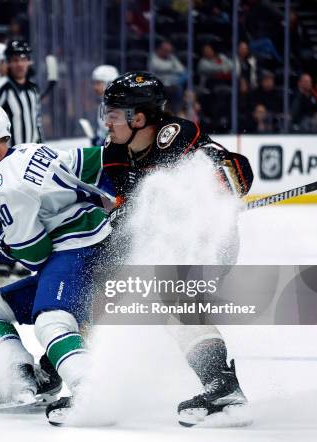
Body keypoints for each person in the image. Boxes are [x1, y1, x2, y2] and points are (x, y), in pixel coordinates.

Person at [99, 71, 253, 427]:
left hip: (209, 238)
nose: (107, 121)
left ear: (139, 118)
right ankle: (221, 385)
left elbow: (235, 171)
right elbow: (124, 211)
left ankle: (222, 386)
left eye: (114, 113)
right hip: (171, 244)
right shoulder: (116, 154)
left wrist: (217, 184)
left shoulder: (177, 136)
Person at [0, 102, 112, 424]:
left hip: (78, 250)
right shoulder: (32, 150)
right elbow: (96, 162)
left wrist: (7, 247)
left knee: (51, 320)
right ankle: (23, 376)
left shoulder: (2, 184)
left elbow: (35, 252)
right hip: (102, 244)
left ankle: (89, 390)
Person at [0, 39, 43, 277]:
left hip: (30, 158)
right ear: (6, 63)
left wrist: (41, 151)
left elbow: (36, 124)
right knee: (4, 206)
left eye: (23, 59)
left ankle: (23, 257)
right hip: (6, 160)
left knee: (29, 208)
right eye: (14, 60)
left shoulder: (32, 90)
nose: (19, 64)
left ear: (29, 61)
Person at [148, 40, 187, 113]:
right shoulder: (153, 57)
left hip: (172, 84)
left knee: (180, 87)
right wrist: (173, 68)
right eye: (166, 51)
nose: (168, 53)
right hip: (159, 85)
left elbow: (182, 70)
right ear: (160, 49)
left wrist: (171, 69)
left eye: (169, 51)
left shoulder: (172, 57)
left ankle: (176, 112)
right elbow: (159, 67)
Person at [91, 64, 119, 145]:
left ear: (109, 83)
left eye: (98, 83)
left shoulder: (118, 105)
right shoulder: (104, 103)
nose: (95, 87)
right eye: (95, 83)